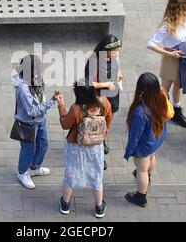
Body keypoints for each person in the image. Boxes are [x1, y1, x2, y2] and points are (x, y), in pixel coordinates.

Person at [57, 80, 113, 218]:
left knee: (71, 173)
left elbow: (65, 124)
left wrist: (61, 105)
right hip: (96, 146)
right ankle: (99, 207)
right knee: (96, 174)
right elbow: (108, 119)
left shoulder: (76, 109)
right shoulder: (104, 102)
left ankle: (65, 204)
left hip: (76, 145)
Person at [147, 0, 186, 128]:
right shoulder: (168, 24)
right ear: (181, 5)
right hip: (172, 57)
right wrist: (170, 54)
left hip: (185, 56)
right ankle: (155, 111)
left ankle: (176, 111)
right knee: (165, 88)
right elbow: (151, 44)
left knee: (179, 84)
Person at [124, 72, 174, 207]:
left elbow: (135, 136)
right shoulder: (162, 96)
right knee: (151, 158)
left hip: (144, 144)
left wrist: (128, 151)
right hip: (156, 138)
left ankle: (141, 196)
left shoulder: (140, 112)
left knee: (141, 170)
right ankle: (148, 176)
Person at [11, 55, 59, 189]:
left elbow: (40, 95)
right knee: (28, 150)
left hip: (40, 120)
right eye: (39, 67)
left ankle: (34, 167)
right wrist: (51, 101)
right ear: (31, 70)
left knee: (43, 144)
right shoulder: (23, 89)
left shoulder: (35, 78)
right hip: (28, 123)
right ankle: (22, 172)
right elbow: (31, 111)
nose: (42, 69)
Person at [85, 34, 123, 169]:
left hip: (113, 97)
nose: (117, 53)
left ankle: (102, 141)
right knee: (98, 126)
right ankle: (97, 154)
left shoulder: (112, 56)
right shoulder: (94, 62)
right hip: (99, 99)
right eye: (115, 50)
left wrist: (119, 72)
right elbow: (88, 84)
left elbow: (117, 65)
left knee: (106, 124)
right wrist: (106, 84)